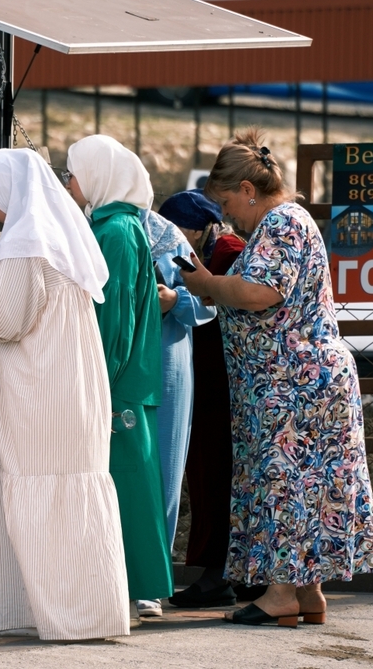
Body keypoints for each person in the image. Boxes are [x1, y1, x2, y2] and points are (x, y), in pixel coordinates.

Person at [180, 128, 373, 627]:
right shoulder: (287, 223)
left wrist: (207, 284)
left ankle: (280, 594)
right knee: (306, 483)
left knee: (285, 482)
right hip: (300, 382)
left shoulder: (282, 223)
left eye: (229, 201)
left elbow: (261, 291)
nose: (228, 214)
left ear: (249, 190)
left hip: (295, 385)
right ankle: (307, 591)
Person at [0, 147, 130, 640]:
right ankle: (84, 609)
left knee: (35, 486)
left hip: (37, 398)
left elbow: (6, 320)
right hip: (67, 393)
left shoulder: (23, 245)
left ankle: (50, 613)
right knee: (64, 494)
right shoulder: (47, 237)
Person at [65, 135, 174, 618]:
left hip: (117, 383)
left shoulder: (115, 231)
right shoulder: (117, 225)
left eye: (75, 173)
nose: (71, 183)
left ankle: (134, 587)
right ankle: (134, 586)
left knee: (125, 487)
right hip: (127, 380)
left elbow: (116, 318)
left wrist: (99, 381)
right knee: (129, 483)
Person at [157, 190, 246, 609]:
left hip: (221, 382)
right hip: (211, 377)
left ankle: (217, 574)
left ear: (195, 228)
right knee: (207, 474)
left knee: (213, 474)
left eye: (177, 230)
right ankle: (224, 572)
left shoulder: (225, 252)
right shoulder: (212, 249)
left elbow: (214, 304)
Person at [140, 207, 217, 553]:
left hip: (167, 367)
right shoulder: (87, 229)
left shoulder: (168, 238)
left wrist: (174, 301)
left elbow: (207, 302)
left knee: (164, 470)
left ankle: (152, 576)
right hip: (111, 363)